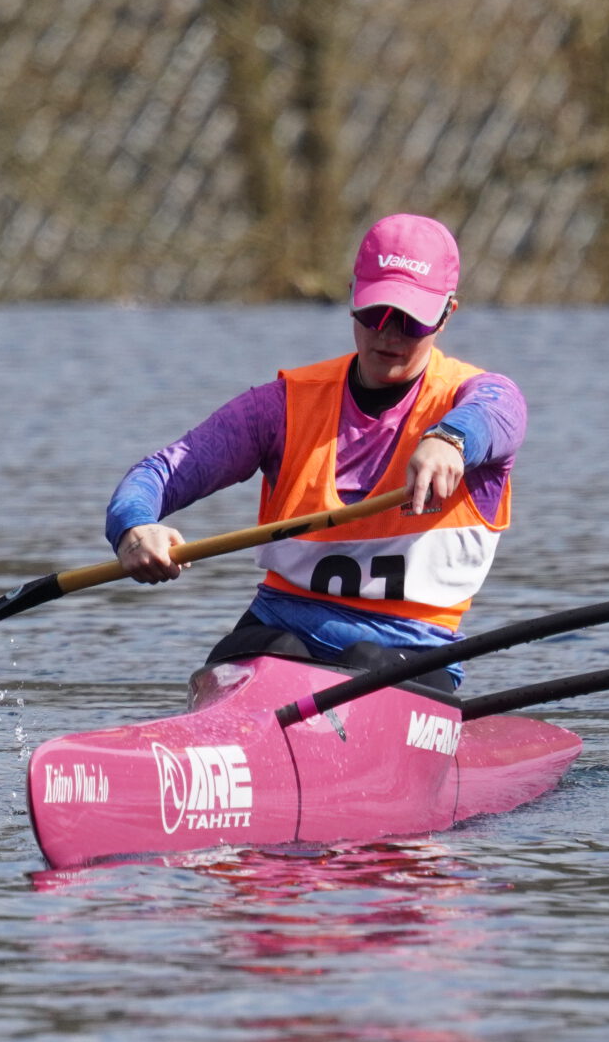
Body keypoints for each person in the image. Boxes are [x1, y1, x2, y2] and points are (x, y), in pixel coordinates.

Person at [107, 213, 527, 690]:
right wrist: (134, 526)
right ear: (352, 299)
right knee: (267, 653)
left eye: (411, 319)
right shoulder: (281, 409)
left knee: (364, 661)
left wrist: (450, 440)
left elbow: (504, 409)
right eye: (376, 311)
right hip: (279, 633)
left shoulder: (476, 399)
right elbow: (160, 472)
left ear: (447, 313)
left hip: (411, 651)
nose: (389, 334)